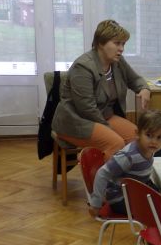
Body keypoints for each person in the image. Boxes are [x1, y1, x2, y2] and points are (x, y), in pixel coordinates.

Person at [52, 19, 151, 158]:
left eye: (123, 44)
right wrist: (110, 130)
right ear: (100, 43)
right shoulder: (83, 67)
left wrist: (144, 89)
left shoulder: (117, 61)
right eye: (117, 43)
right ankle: (99, 171)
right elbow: (86, 109)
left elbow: (135, 79)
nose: (121, 49)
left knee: (138, 140)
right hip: (77, 121)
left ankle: (123, 172)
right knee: (116, 143)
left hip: (104, 116)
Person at [88, 109, 161, 217]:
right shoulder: (128, 156)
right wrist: (95, 203)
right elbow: (102, 173)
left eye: (159, 137)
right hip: (120, 199)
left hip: (135, 190)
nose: (154, 141)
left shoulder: (149, 149)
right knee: (159, 209)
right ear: (138, 134)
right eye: (149, 135)